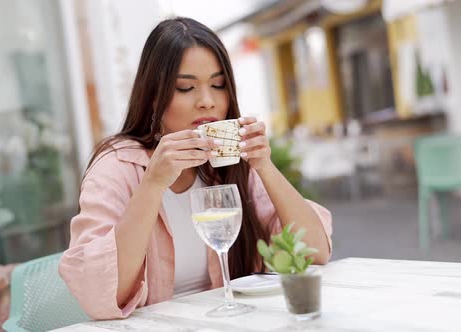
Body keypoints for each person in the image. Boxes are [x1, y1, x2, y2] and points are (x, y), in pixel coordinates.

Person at [59, 17, 333, 320]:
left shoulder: (229, 162)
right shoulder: (117, 166)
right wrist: (153, 184)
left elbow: (314, 253)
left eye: (218, 85)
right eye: (185, 87)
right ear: (152, 97)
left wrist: (265, 166)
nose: (207, 102)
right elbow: (102, 296)